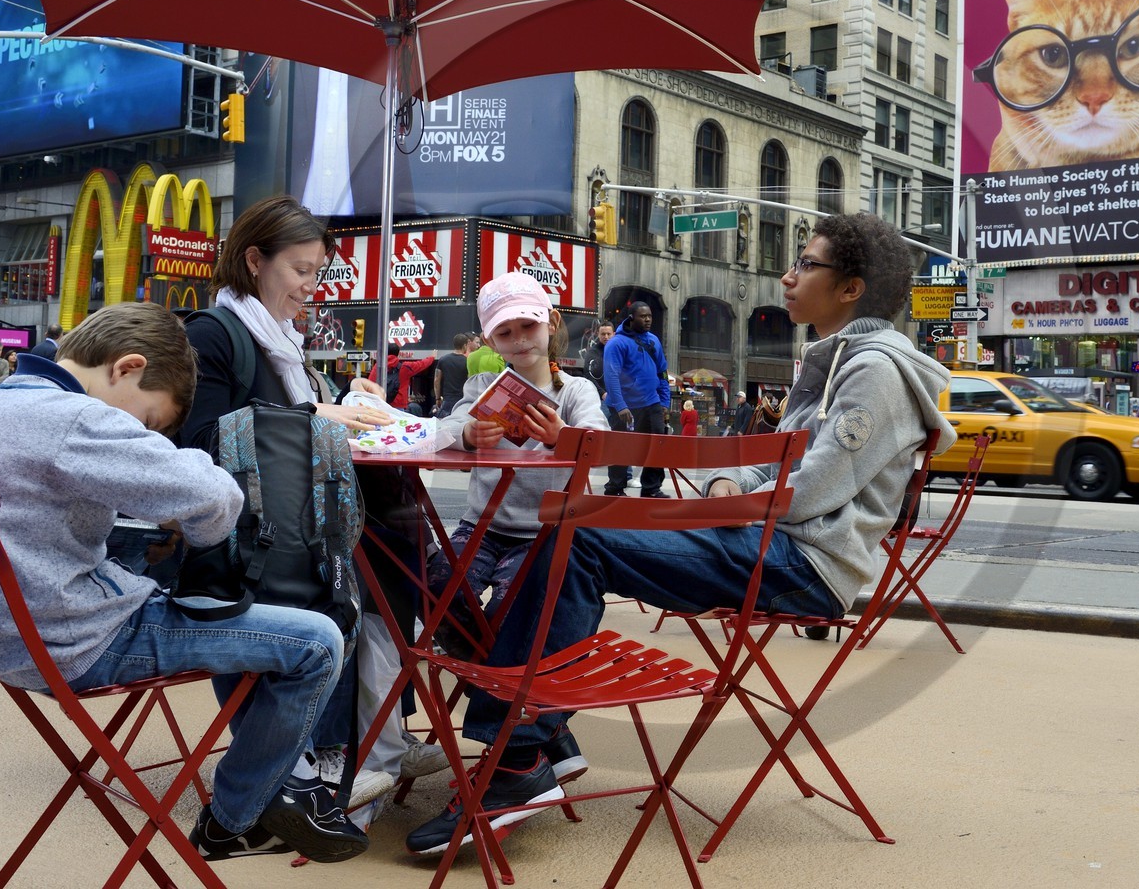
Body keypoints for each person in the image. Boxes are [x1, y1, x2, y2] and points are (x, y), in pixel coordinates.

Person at [405, 212, 957, 857]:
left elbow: (813, 490)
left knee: (577, 536)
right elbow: (787, 463)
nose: (788, 274)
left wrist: (731, 498)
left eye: (806, 263)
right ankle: (532, 741)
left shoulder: (874, 372)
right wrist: (730, 486)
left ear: (850, 288)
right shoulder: (834, 360)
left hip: (803, 561)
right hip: (771, 541)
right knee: (570, 533)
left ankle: (517, 755)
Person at [0, 302, 368, 864]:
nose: (142, 433)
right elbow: (217, 500)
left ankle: (276, 790)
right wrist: (183, 513)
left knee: (236, 628)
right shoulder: (75, 418)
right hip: (76, 639)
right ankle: (238, 815)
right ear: (126, 368)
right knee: (316, 642)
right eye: (149, 422)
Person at [181, 196, 446, 807]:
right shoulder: (214, 335)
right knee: (356, 569)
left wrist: (347, 400)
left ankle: (377, 736)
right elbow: (198, 439)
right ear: (254, 261)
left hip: (300, 527)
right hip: (248, 543)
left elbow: (301, 424)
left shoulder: (282, 343)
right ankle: (327, 757)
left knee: (399, 543)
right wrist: (317, 412)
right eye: (301, 270)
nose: (313, 286)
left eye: (317, 272)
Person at [426, 271, 609, 667]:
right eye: (506, 333)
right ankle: (493, 672)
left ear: (552, 322)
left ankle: (497, 680)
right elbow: (445, 430)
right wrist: (470, 435)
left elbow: (603, 443)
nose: (521, 339)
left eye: (529, 325)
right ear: (491, 341)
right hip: (480, 527)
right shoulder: (481, 385)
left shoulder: (575, 390)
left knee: (517, 609)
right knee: (438, 587)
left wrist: (565, 437)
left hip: (546, 534)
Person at [601, 301, 672, 498]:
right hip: (624, 408)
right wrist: (621, 405)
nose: (648, 319)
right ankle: (615, 489)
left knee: (658, 446)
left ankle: (651, 488)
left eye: (650, 315)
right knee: (621, 450)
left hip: (652, 404)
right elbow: (611, 375)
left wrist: (665, 402)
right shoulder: (616, 343)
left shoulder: (653, 341)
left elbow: (662, 373)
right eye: (643, 316)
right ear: (631, 318)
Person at [432, 333, 472, 416]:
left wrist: (438, 398)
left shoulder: (443, 360)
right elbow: (470, 380)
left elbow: (436, 380)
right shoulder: (468, 361)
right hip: (463, 399)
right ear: (465, 345)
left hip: (448, 400)